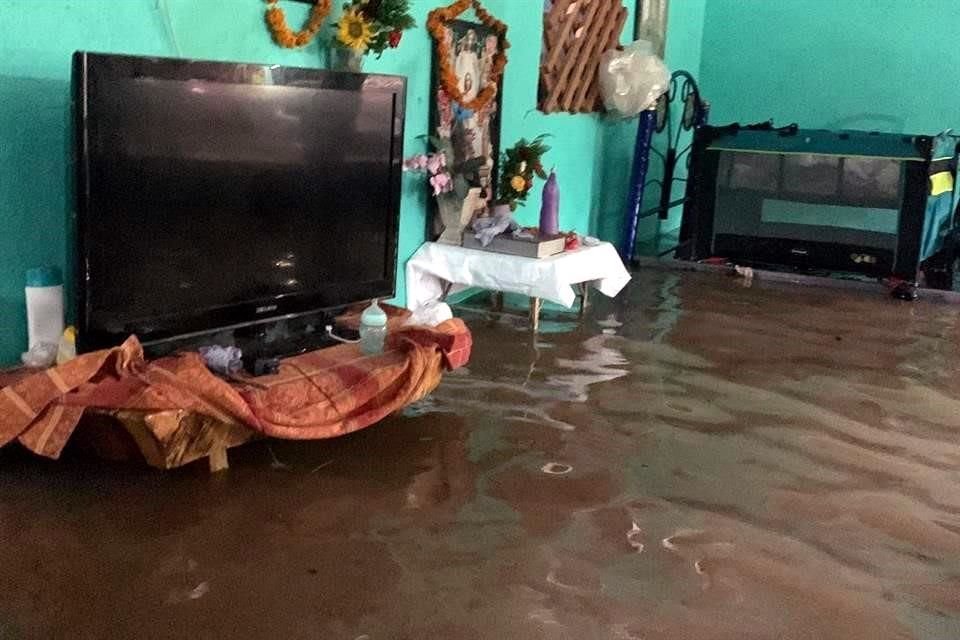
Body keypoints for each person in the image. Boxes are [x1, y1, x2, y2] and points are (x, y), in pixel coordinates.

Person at [455, 29, 480, 102]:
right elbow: (457, 68)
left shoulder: (474, 55)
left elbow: (476, 72)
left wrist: (476, 84)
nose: (470, 42)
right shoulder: (461, 54)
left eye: (472, 40)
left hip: (472, 80)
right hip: (461, 79)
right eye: (469, 39)